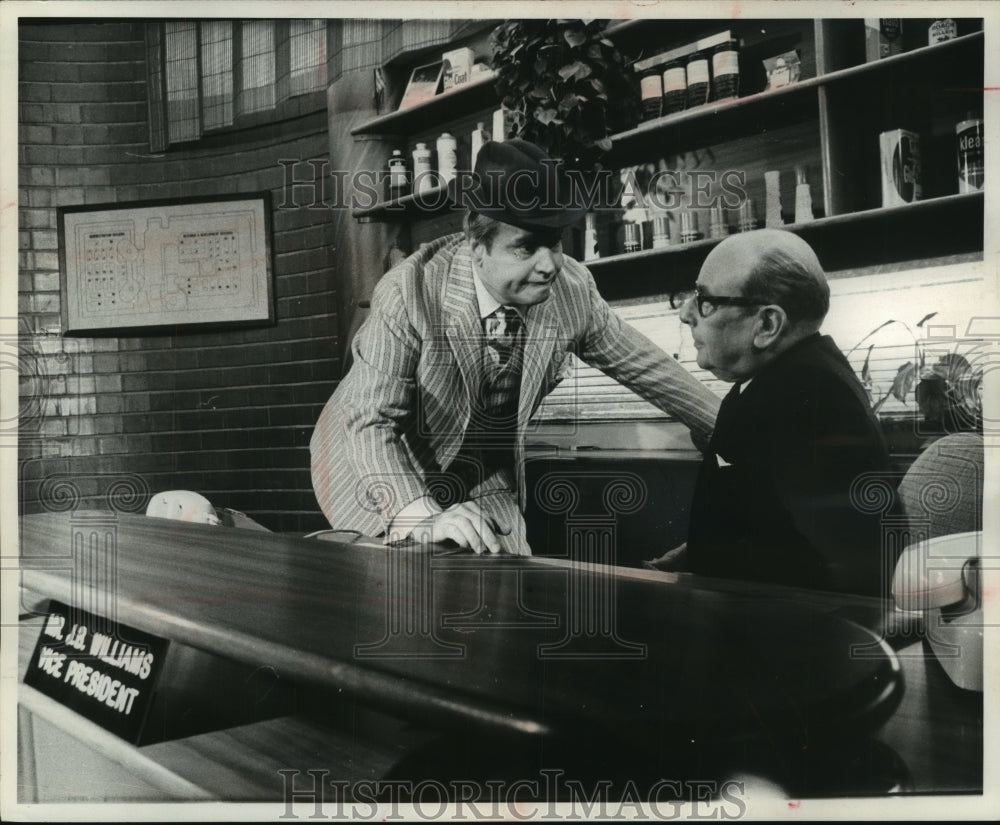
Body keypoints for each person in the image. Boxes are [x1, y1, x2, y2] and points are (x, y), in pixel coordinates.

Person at [311, 139, 720, 555]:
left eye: (556, 242)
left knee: (505, 587)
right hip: (377, 468)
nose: (550, 265)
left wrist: (728, 428)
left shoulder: (571, 290)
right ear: (477, 246)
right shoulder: (408, 292)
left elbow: (646, 366)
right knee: (404, 592)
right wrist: (421, 516)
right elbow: (369, 423)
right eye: (526, 247)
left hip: (483, 476)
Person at [646, 229, 898, 596]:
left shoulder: (810, 399)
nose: (686, 313)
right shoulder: (782, 380)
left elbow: (839, 577)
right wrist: (698, 555)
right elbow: (777, 526)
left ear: (766, 324)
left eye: (705, 300)